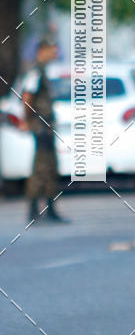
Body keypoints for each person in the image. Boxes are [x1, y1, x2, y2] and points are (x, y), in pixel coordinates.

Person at [21, 40, 68, 224]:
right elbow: (27, 97)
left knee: (50, 167)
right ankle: (33, 210)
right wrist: (29, 121)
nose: (54, 54)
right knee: (40, 167)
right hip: (40, 125)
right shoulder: (35, 72)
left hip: (47, 125)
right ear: (42, 51)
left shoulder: (42, 71)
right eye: (51, 51)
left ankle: (50, 209)